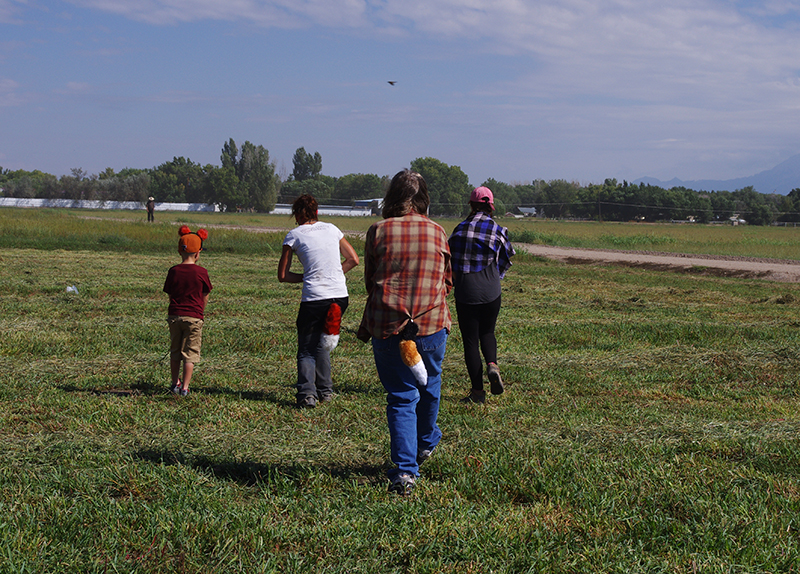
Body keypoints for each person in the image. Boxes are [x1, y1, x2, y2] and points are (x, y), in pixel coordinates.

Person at [357, 170, 452, 495]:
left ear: (392, 198)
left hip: (388, 325)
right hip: (430, 324)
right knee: (431, 383)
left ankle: (405, 473)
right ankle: (425, 443)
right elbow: (447, 281)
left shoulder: (378, 230)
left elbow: (371, 281)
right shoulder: (439, 232)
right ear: (423, 198)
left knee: (401, 396)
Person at [278, 194, 359, 408]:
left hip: (314, 298)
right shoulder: (332, 229)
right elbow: (353, 259)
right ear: (316, 212)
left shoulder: (293, 235)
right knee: (322, 343)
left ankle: (307, 394)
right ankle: (326, 391)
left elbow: (283, 275)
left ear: (297, 214)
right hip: (340, 296)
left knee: (306, 348)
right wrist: (333, 274)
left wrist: (310, 277)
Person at [448, 186, 515, 404]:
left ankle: (477, 393)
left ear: (471, 205)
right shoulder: (498, 229)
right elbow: (507, 257)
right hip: (491, 290)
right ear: (490, 206)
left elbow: (450, 262)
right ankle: (493, 365)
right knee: (488, 332)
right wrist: (497, 275)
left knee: (470, 341)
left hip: (467, 292)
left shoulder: (459, 230)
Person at [163, 226, 213, 397]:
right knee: (190, 353)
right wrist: (200, 310)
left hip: (174, 316)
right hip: (194, 317)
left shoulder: (173, 271)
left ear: (179, 251)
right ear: (198, 253)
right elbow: (205, 294)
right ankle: (185, 387)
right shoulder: (202, 272)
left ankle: (174, 383)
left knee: (175, 351)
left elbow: (170, 293)